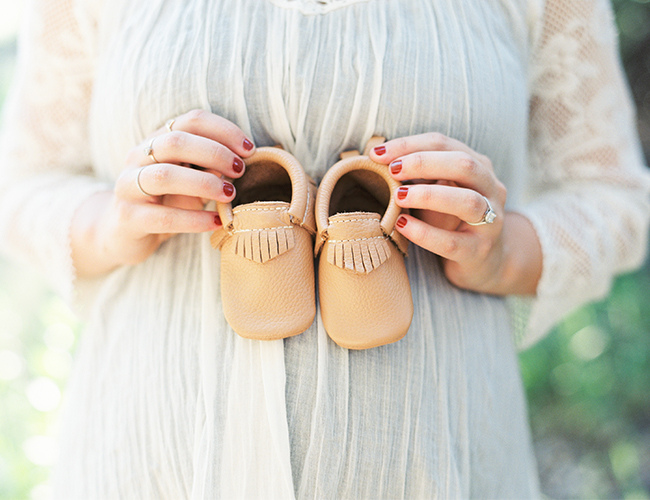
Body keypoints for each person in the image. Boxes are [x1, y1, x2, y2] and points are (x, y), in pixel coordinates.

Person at [1, 0, 648, 498]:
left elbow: (614, 195)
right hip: (145, 468)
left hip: (439, 467)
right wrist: (113, 222)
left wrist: (505, 249)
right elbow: (24, 183)